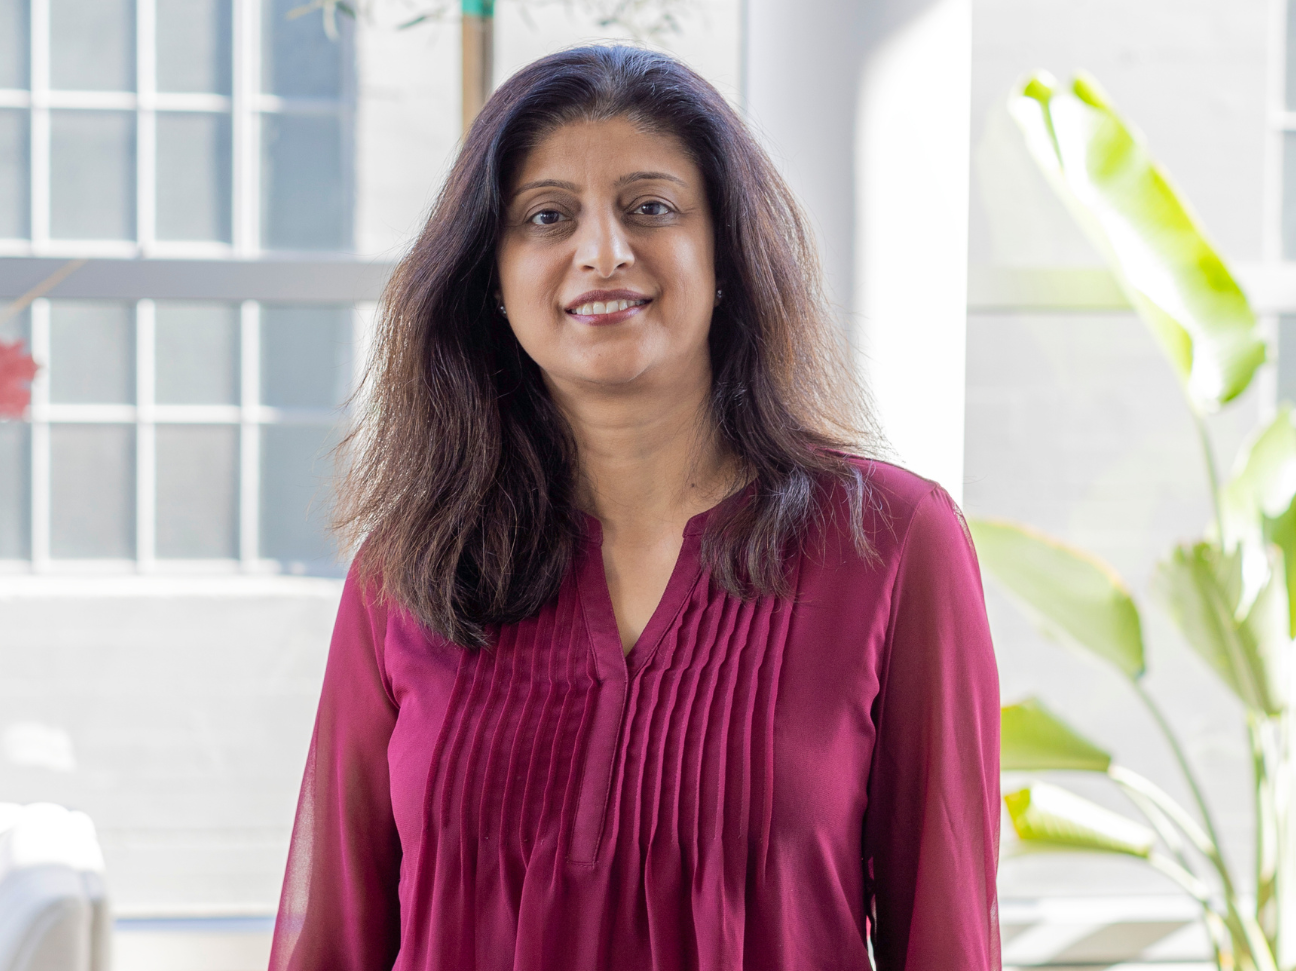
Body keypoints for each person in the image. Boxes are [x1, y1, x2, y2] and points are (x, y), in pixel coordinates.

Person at [268, 45, 1000, 971]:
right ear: (491, 278)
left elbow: (947, 942)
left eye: (651, 208)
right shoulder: (410, 565)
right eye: (547, 216)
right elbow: (333, 940)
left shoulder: (892, 545)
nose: (603, 251)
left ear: (727, 251)